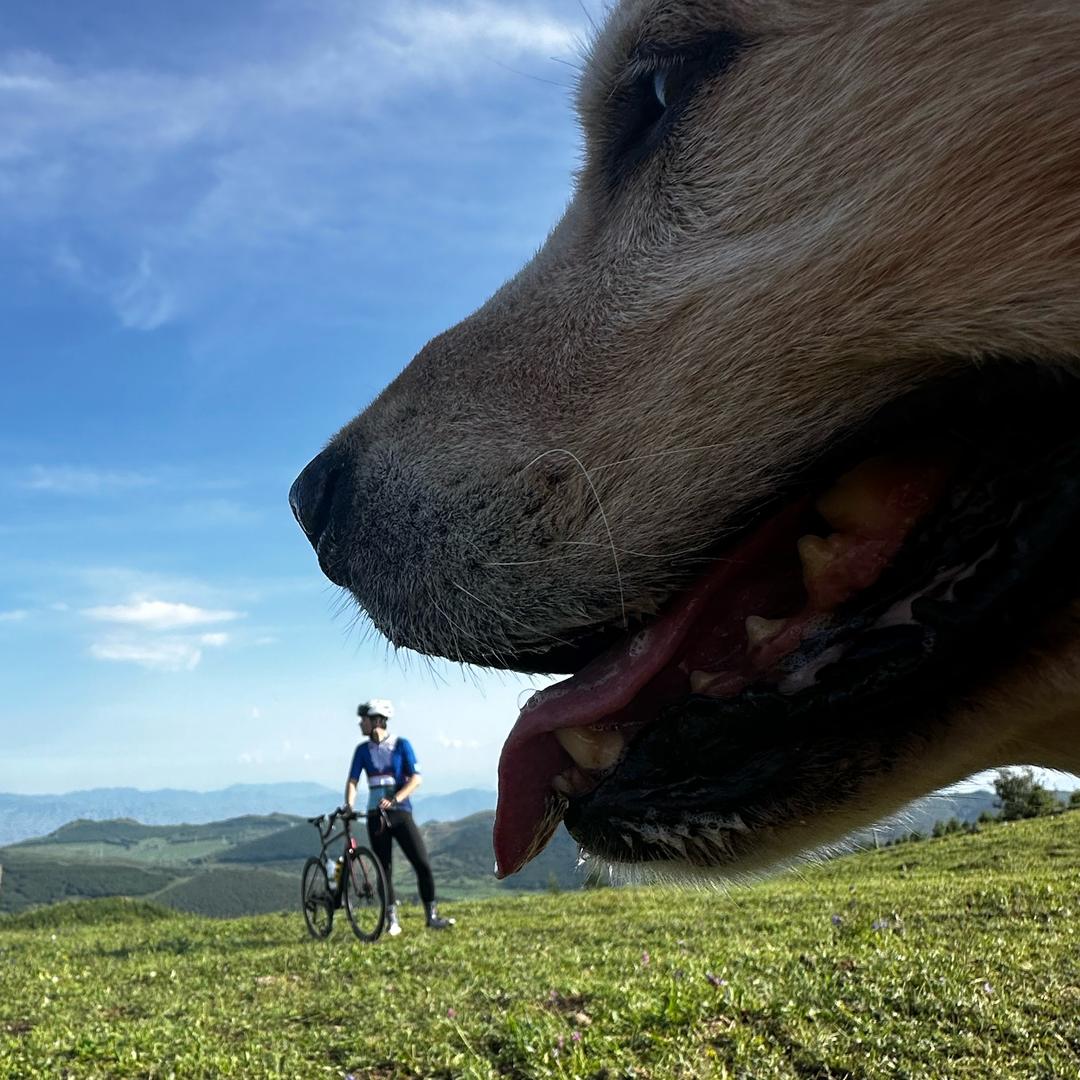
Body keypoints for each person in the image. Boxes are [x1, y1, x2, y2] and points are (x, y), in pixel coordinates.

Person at [342, 698, 454, 934]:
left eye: (364, 719)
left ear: (376, 720)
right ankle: (391, 920)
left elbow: (416, 778)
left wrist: (396, 798)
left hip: (401, 813)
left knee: (422, 863)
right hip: (375, 815)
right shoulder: (362, 751)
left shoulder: (402, 745)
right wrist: (349, 805)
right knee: (384, 869)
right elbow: (353, 780)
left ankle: (431, 915)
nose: (360, 723)